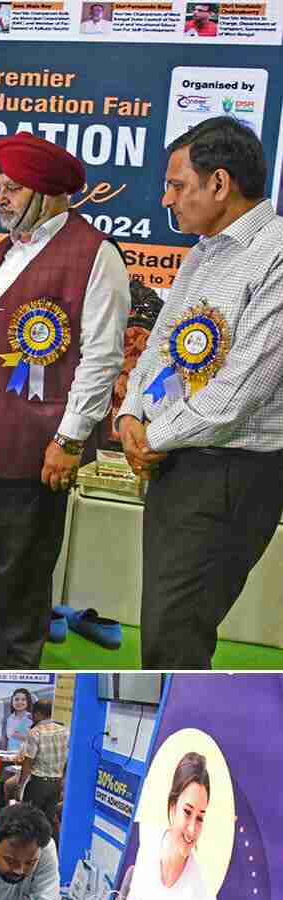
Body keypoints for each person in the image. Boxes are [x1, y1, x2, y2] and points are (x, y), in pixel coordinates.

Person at [0, 131, 129, 669]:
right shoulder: (5, 249)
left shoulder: (94, 255)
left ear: (49, 193)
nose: (1, 198)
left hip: (37, 434)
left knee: (25, 552)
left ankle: (15, 656)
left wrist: (69, 438)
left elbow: (102, 358)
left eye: (13, 189)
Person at [117, 117, 283, 670]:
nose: (167, 199)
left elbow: (241, 389)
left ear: (219, 183)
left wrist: (152, 437)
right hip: (177, 462)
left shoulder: (276, 255)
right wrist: (129, 414)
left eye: (177, 185)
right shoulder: (204, 253)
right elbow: (161, 347)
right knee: (166, 627)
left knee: (175, 635)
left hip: (231, 471)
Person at [127, 752, 220, 900]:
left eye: (200, 817)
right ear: (172, 807)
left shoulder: (203, 887)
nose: (192, 829)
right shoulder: (148, 849)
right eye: (187, 812)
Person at [17, 699, 68, 828]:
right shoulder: (65, 731)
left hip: (38, 784)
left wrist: (20, 785)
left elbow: (28, 761)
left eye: (33, 714)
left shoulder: (36, 732)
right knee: (47, 822)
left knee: (29, 821)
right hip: (56, 784)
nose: (32, 718)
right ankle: (47, 847)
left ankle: (31, 847)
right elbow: (68, 759)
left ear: (38, 714)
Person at [5, 688, 35, 753]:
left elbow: (35, 739)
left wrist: (20, 736)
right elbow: (9, 735)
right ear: (12, 701)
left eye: (23, 700)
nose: (19, 702)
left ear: (28, 702)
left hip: (27, 754)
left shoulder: (32, 718)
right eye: (16, 699)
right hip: (11, 752)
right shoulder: (10, 718)